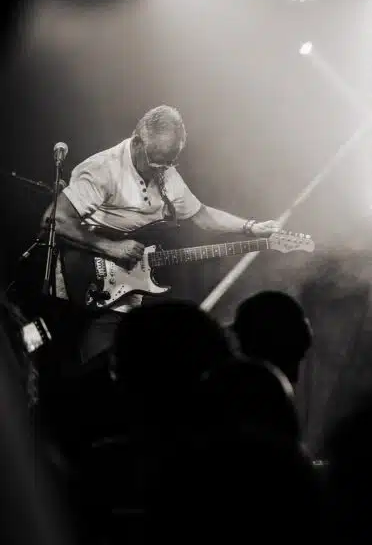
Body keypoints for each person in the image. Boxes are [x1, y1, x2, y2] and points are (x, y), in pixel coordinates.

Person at [48, 104, 281, 361]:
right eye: (156, 161)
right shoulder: (104, 170)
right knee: (89, 361)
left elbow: (201, 216)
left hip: (129, 293)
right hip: (84, 276)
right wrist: (110, 247)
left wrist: (250, 227)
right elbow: (56, 219)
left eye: (169, 162)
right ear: (138, 142)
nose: (162, 169)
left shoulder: (167, 173)